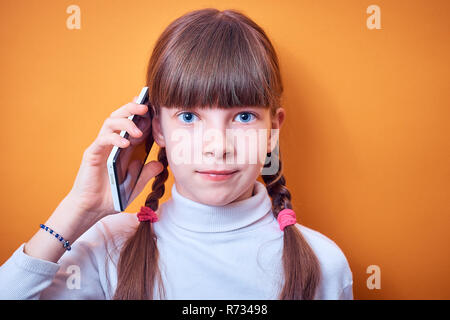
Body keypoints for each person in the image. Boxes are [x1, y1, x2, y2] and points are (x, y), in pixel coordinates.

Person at [0, 8, 353, 300]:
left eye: (243, 116)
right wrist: (79, 209)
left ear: (272, 131)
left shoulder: (324, 264)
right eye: (189, 117)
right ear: (157, 128)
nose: (218, 146)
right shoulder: (108, 248)